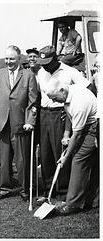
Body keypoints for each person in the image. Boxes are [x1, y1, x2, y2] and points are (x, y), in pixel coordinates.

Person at [36, 45, 93, 198]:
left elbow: (89, 88)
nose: (45, 66)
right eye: (43, 63)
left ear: (56, 59)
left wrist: (73, 110)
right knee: (46, 152)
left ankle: (62, 191)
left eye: (48, 62)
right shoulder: (41, 72)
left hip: (61, 114)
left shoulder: (70, 72)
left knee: (59, 152)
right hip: (44, 114)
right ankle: (49, 190)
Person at [0, 45, 38, 202]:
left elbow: (33, 101)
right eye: (6, 58)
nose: (8, 62)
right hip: (3, 122)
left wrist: (30, 121)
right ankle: (5, 188)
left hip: (20, 123)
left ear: (19, 58)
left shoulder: (28, 75)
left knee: (22, 160)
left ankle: (26, 188)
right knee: (5, 159)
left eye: (11, 59)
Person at [44, 81, 98, 215]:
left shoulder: (79, 103)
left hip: (92, 130)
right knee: (94, 165)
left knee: (78, 161)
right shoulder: (70, 92)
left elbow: (78, 134)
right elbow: (69, 113)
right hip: (85, 127)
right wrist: (66, 134)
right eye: (50, 98)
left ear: (62, 90)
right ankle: (94, 201)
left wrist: (66, 156)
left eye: (54, 97)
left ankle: (73, 204)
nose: (53, 101)